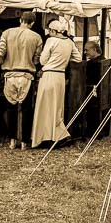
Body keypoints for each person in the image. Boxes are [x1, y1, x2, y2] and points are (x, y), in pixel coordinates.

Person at [0, 11, 44, 149]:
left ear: (20, 20)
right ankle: (25, 142)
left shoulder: (7, 33)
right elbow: (36, 60)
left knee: (11, 108)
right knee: (26, 109)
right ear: (32, 23)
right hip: (27, 76)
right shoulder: (37, 37)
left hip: (9, 75)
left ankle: (12, 140)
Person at [32, 18, 82, 148]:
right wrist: (63, 59)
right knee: (57, 107)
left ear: (54, 31)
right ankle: (57, 135)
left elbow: (43, 61)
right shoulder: (69, 42)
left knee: (45, 107)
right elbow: (78, 58)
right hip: (60, 76)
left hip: (49, 75)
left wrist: (53, 60)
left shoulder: (51, 40)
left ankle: (45, 137)